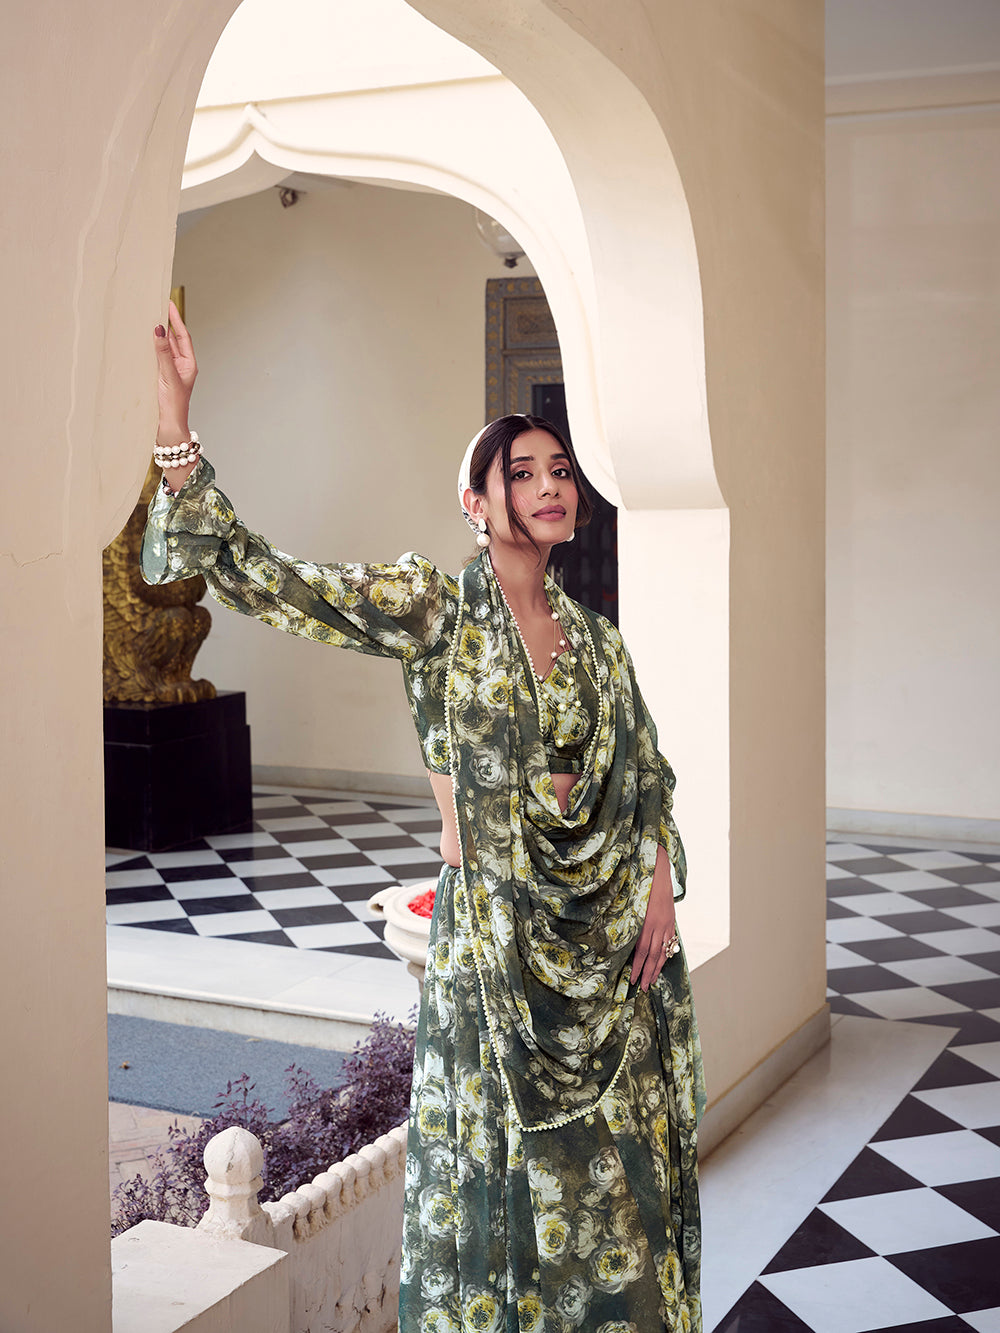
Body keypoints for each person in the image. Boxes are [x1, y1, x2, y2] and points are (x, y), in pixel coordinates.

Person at [145, 304, 705, 1332]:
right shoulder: (434, 612)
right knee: (503, 1169)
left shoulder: (595, 641)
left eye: (560, 471)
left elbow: (648, 775)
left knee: (608, 1187)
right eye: (523, 471)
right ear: (473, 500)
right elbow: (277, 581)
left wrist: (658, 885)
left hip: (603, 948)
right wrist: (180, 428)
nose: (549, 486)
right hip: (495, 953)